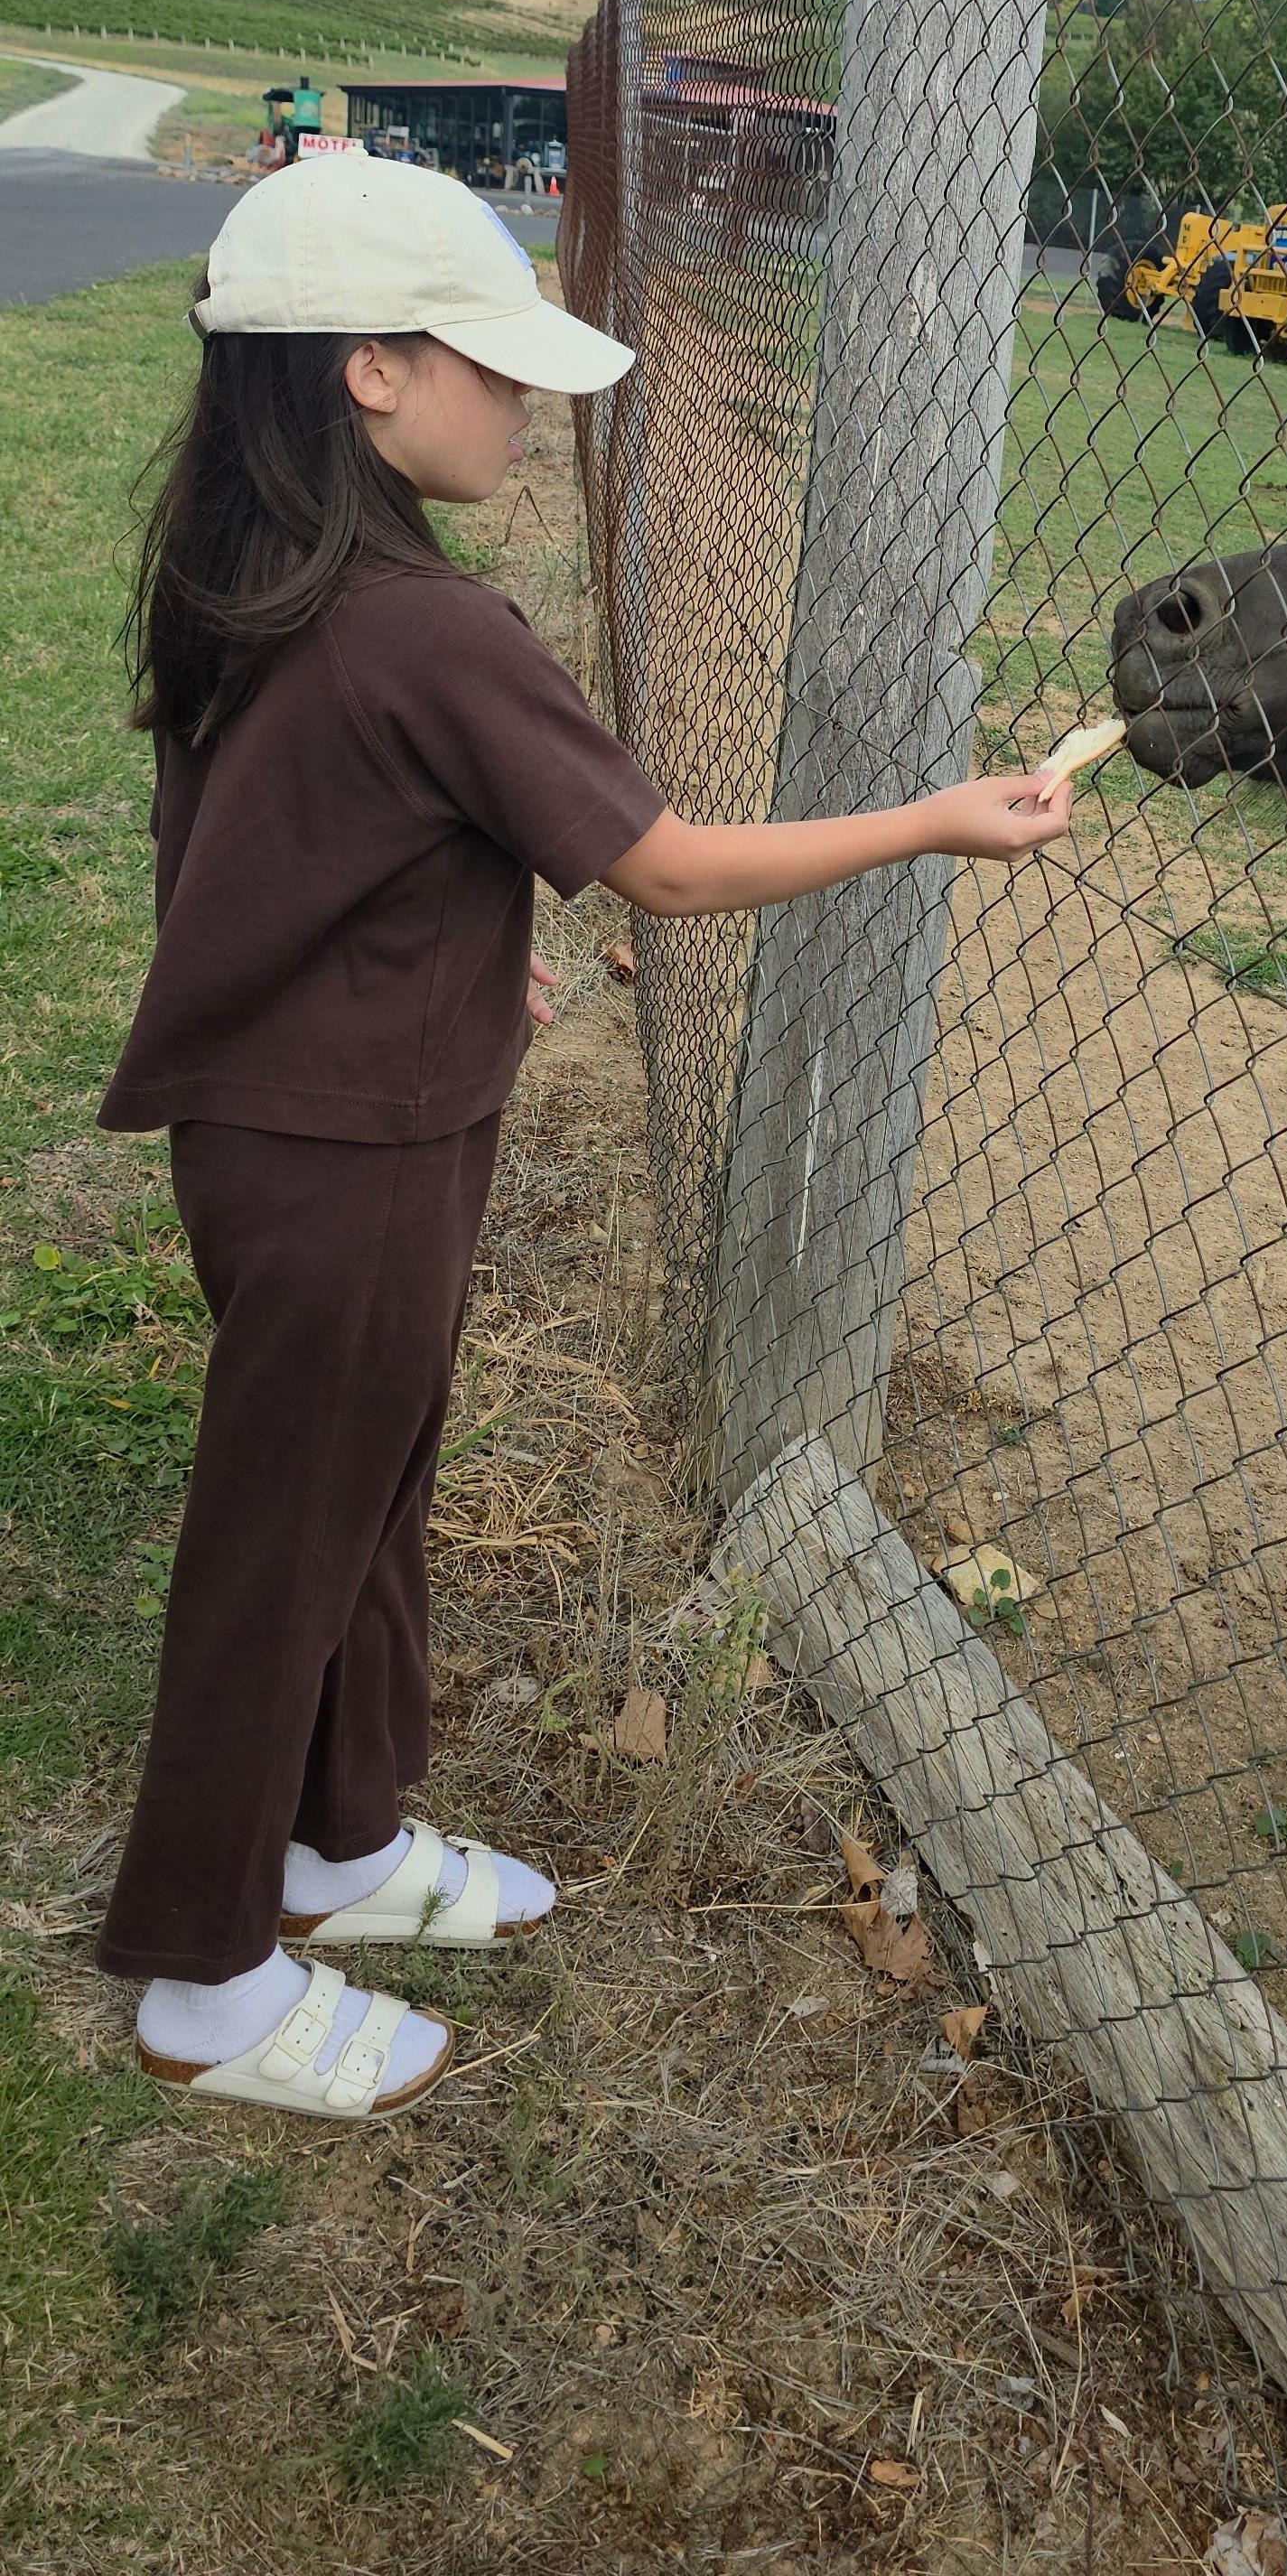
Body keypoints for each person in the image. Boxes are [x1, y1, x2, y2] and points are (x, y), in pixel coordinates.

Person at [94, 153, 1075, 2120]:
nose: (529, 405)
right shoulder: (433, 632)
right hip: (345, 1159)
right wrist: (932, 819)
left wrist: (453, 968)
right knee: (283, 1546)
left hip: (320, 1125)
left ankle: (342, 1839)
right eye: (492, 364)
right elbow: (673, 872)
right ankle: (201, 1966)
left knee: (367, 1495)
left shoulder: (262, 579)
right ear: (369, 371)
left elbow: (285, 850)